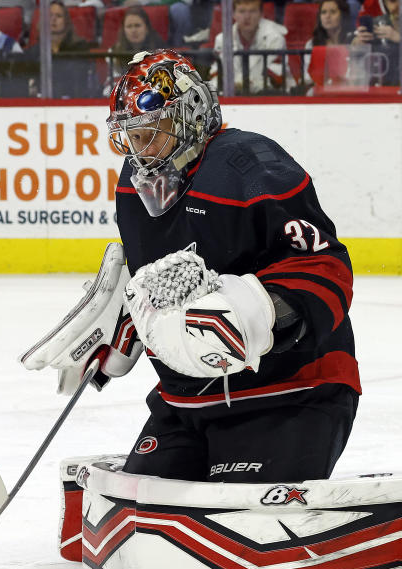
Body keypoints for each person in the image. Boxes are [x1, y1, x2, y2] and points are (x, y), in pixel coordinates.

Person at [26, 49, 360, 484]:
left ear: (192, 112)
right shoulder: (133, 183)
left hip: (290, 394)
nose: (141, 149)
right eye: (132, 135)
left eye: (153, 131)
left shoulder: (254, 166)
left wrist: (258, 312)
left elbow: (325, 266)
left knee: (238, 517)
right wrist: (121, 324)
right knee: (146, 501)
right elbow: (154, 274)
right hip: (185, 402)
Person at [209, 0, 293, 94]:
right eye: (242, 11)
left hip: (272, 97)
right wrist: (220, 87)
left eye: (252, 11)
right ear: (233, 14)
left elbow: (275, 78)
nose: (247, 17)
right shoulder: (222, 39)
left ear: (261, 14)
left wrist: (247, 85)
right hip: (234, 95)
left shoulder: (275, 37)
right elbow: (217, 74)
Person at [303, 0, 355, 88]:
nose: (327, 16)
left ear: (343, 16)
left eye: (333, 12)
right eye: (323, 12)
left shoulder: (353, 41)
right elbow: (307, 78)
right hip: (320, 93)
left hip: (349, 91)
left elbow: (357, 77)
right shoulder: (311, 44)